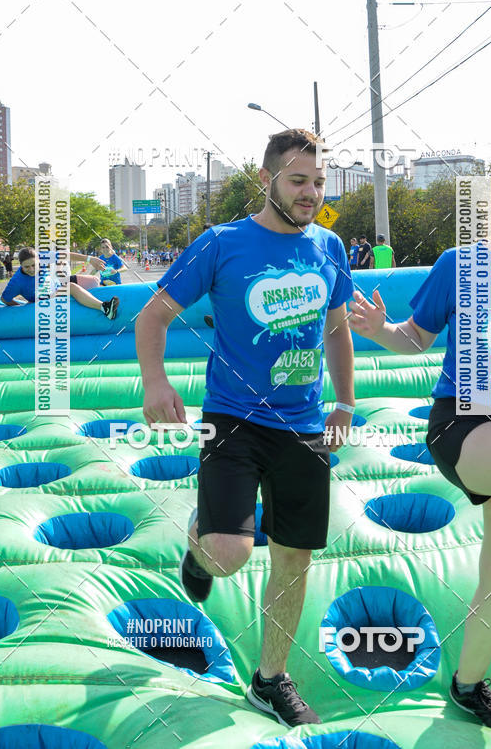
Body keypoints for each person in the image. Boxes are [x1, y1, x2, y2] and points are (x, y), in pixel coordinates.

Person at [136, 128, 355, 727]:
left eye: (317, 181)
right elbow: (152, 316)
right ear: (266, 179)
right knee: (230, 552)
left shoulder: (329, 247)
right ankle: (200, 547)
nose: (310, 192)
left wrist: (345, 403)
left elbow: (337, 328)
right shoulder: (222, 243)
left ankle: (271, 679)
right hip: (233, 420)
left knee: (292, 558)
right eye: (297, 180)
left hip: (306, 426)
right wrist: (156, 382)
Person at [348, 157, 491, 736]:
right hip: (465, 425)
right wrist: (377, 331)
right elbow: (415, 337)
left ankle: (468, 686)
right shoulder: (463, 266)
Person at [1, 247, 119, 319]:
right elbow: (4, 299)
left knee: (93, 281)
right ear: (20, 265)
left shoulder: (42, 257)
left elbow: (66, 255)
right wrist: (22, 307)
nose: (31, 269)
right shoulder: (16, 282)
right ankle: (104, 308)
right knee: (71, 287)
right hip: (42, 299)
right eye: (27, 267)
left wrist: (90, 259)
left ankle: (101, 298)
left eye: (34, 265)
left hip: (54, 287)